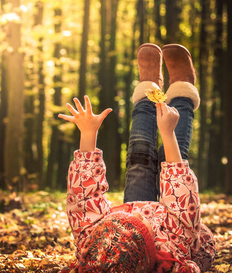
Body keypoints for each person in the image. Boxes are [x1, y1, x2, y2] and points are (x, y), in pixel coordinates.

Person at [58, 44, 216, 272]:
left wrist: (88, 133)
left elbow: (82, 198)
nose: (140, 217)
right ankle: (183, 92)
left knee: (138, 159)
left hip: (136, 219)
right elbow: (181, 190)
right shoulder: (173, 246)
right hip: (173, 223)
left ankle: (148, 90)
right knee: (172, 155)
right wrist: (167, 133)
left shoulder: (93, 245)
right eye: (140, 224)